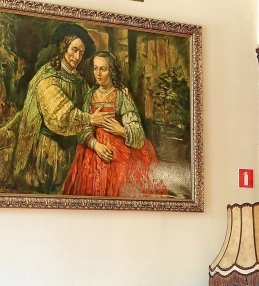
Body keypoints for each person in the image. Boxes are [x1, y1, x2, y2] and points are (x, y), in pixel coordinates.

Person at [10, 23, 113, 194]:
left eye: (81, 52)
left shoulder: (80, 82)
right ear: (64, 47)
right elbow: (61, 116)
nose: (77, 56)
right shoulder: (47, 78)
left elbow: (91, 111)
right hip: (49, 151)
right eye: (74, 49)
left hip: (73, 150)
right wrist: (89, 119)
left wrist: (94, 143)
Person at [62, 51, 168, 197]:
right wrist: (95, 145)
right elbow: (82, 127)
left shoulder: (121, 95)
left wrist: (121, 130)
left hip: (117, 153)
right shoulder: (89, 96)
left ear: (111, 71)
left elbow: (137, 132)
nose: (98, 74)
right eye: (95, 68)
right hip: (93, 151)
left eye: (103, 69)